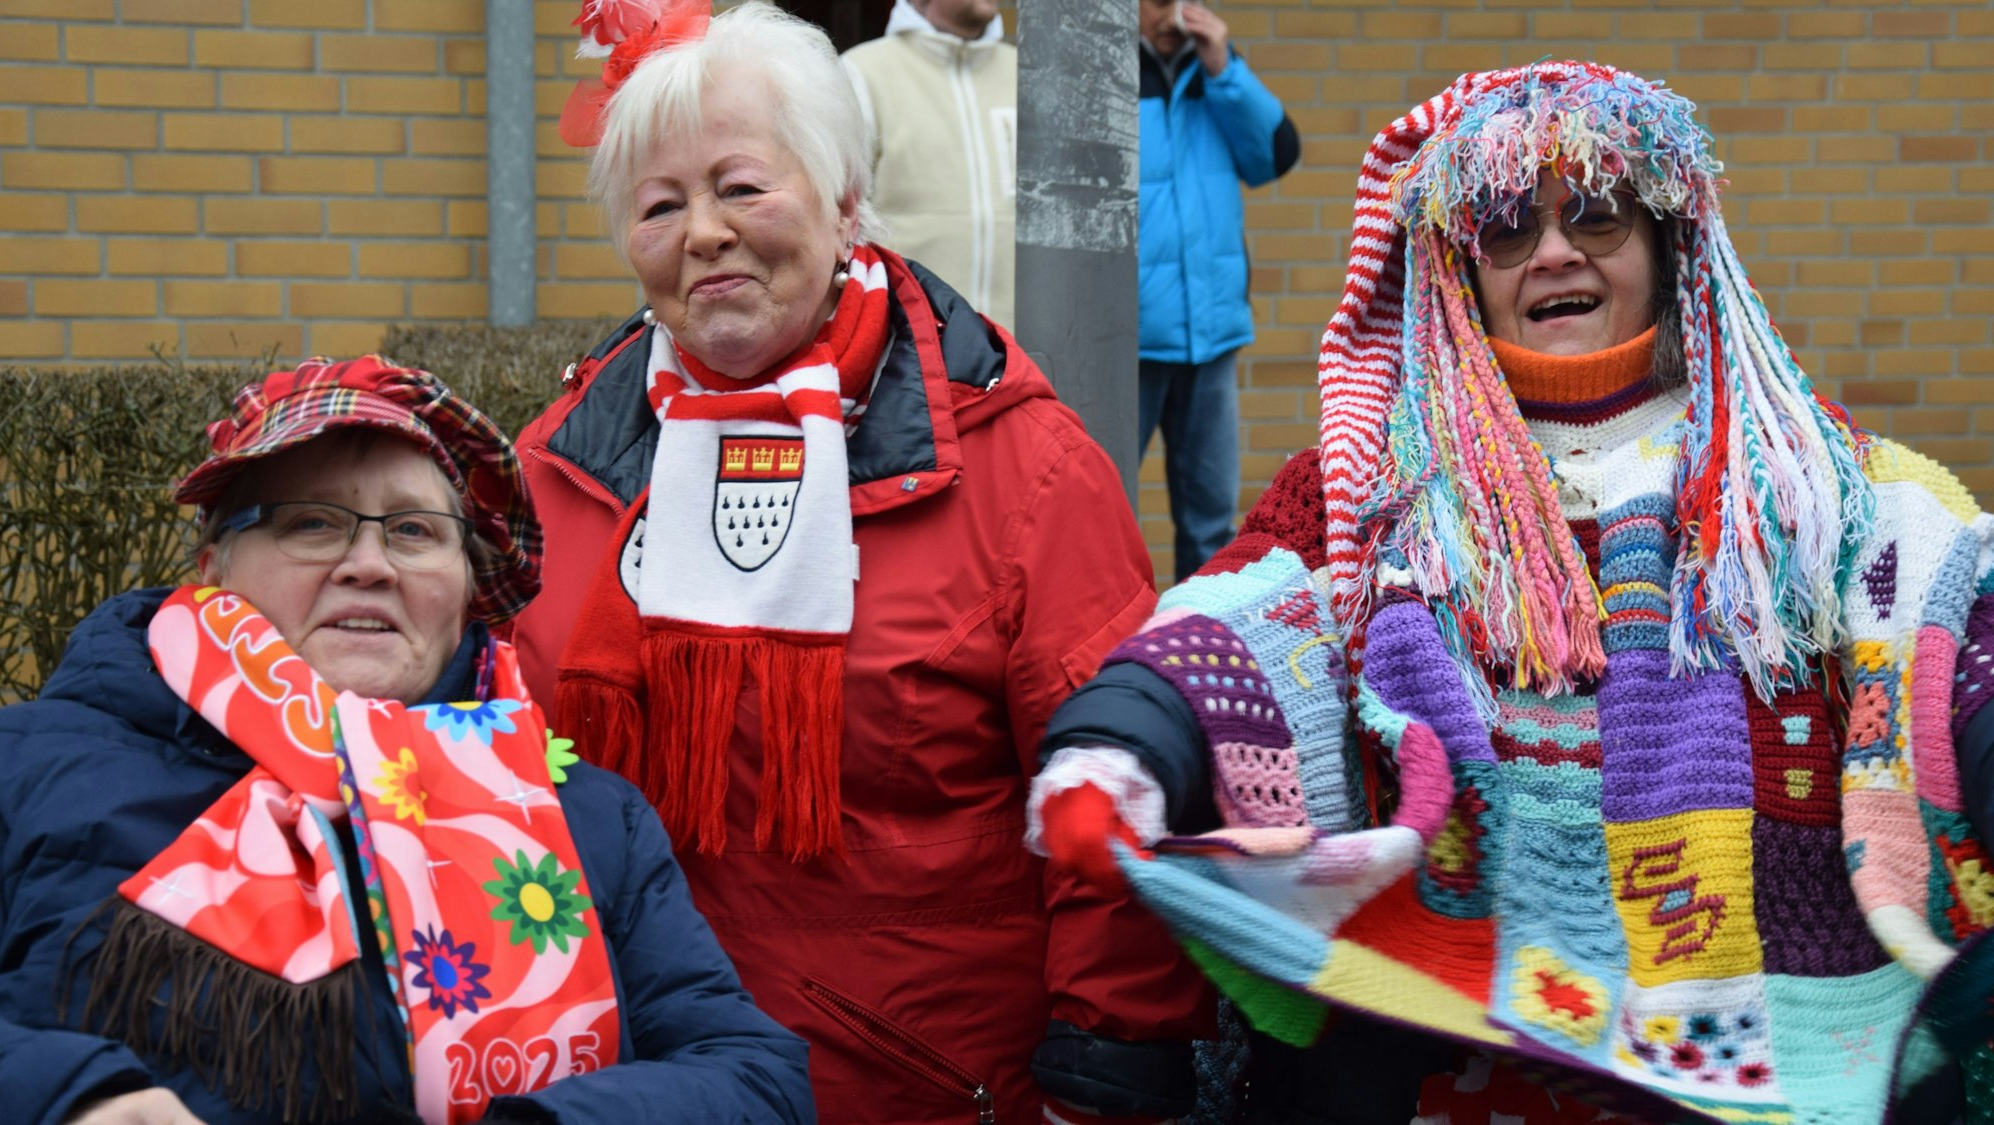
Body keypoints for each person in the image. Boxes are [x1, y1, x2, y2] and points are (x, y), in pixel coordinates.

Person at [1031, 62, 1994, 1123]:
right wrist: (1119, 749)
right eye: (1500, 227)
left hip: (1772, 1067)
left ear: (1666, 247)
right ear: (1460, 272)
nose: (1550, 251)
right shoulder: (1364, 490)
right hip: (1431, 1065)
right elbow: (1232, 619)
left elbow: (1952, 620)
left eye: (1594, 213)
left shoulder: (1808, 478)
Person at [524, 3, 1213, 1122]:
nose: (702, 232)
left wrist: (1104, 1081)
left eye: (740, 186)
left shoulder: (1020, 468)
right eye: (658, 205)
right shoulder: (560, 468)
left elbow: (1118, 816)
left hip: (925, 1087)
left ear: (846, 198)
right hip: (630, 1086)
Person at [0, 356, 813, 1125]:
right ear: (213, 566)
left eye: (415, 532)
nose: (369, 563)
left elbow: (753, 1074)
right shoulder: (22, 763)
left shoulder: (591, 818)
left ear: (465, 592)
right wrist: (69, 1095)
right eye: (312, 523)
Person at [1136, 0, 1299, 581]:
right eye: (1158, 1)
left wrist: (1223, 68)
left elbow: (1276, 155)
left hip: (1210, 330)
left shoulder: (1218, 74)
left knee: (1210, 521)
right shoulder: (1105, 76)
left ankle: (1195, 648)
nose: (1175, 14)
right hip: (1129, 337)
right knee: (1103, 505)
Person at [841, 0, 1016, 330]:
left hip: (1020, 353)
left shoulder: (1028, 77)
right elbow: (841, 221)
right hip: (912, 347)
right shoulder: (862, 73)